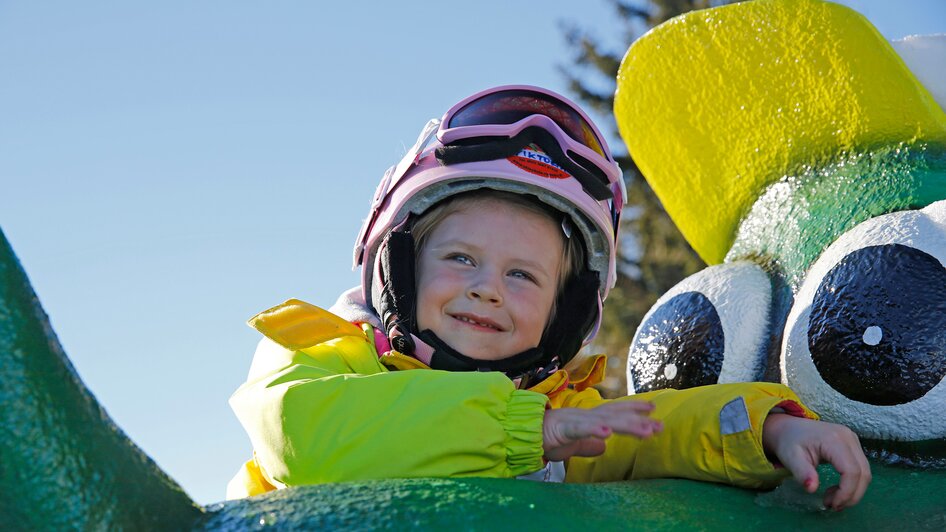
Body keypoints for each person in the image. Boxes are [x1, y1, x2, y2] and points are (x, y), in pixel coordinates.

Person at [228, 85, 871, 510]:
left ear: (565, 313)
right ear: (398, 267)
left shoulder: (560, 412)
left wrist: (767, 427)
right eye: (460, 259)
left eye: (523, 276)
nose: (486, 287)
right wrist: (532, 431)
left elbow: (655, 431)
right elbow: (303, 438)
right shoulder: (322, 351)